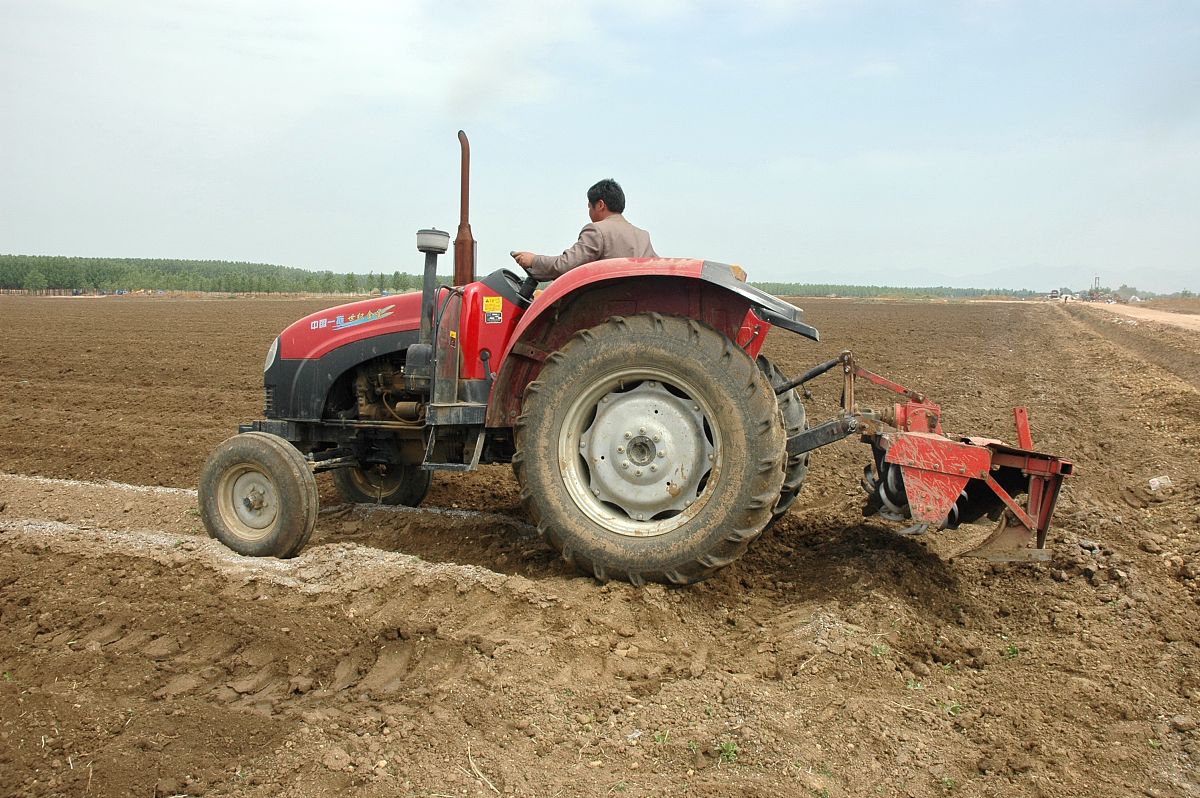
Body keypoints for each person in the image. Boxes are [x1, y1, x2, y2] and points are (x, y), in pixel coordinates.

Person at [511, 179, 656, 280]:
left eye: (589, 207)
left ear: (600, 205)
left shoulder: (597, 230)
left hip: (604, 304)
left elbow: (565, 265)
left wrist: (533, 260)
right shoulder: (642, 235)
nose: (589, 212)